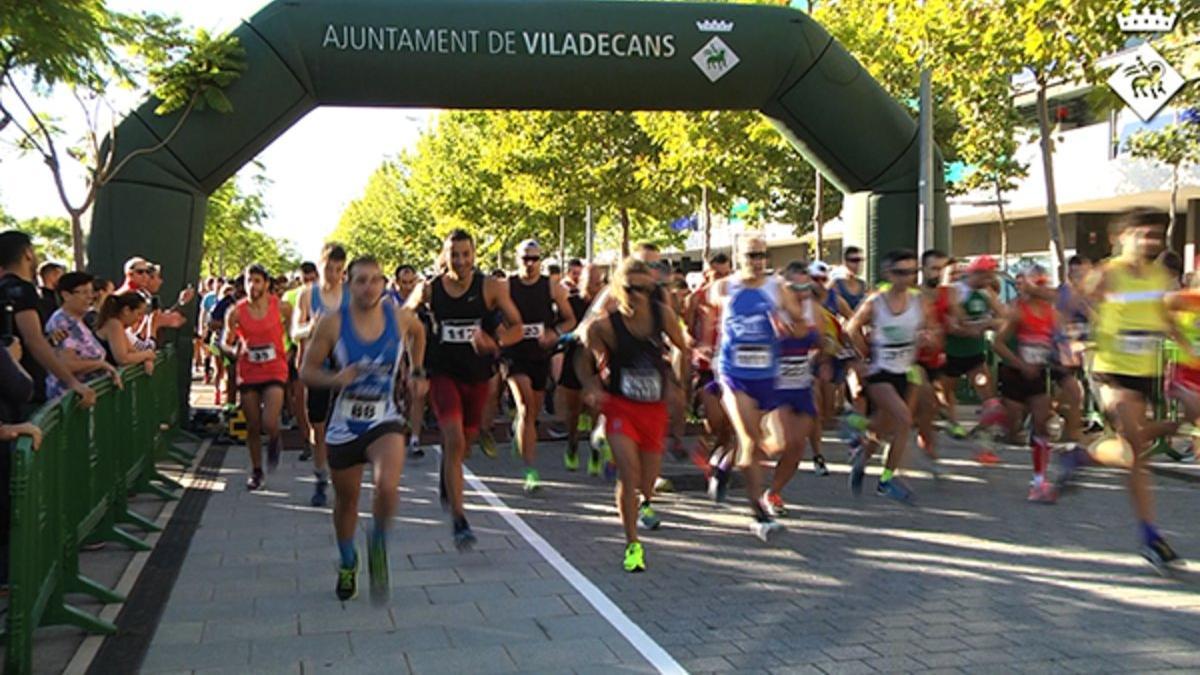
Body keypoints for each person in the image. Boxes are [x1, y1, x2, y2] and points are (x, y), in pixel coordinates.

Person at [301, 255, 427, 603]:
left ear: (384, 283)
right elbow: (306, 371)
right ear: (348, 284)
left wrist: (417, 371)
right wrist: (334, 378)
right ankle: (347, 560)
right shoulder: (331, 324)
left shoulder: (399, 318)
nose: (369, 287)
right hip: (344, 425)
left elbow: (419, 332)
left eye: (375, 280)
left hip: (384, 417)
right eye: (360, 280)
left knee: (387, 484)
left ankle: (378, 542)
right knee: (347, 501)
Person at [1084, 208, 1191, 572]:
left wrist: (1189, 350)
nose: (1149, 241)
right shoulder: (1107, 273)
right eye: (1142, 234)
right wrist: (1076, 334)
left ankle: (1086, 454)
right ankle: (1150, 536)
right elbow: (1073, 302)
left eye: (1155, 236)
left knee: (1138, 447)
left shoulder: (1160, 275)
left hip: (1147, 373)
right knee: (1135, 450)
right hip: (1112, 371)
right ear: (1122, 237)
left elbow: (1166, 318)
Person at [406, 229, 522, 550]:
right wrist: (415, 366)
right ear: (445, 256)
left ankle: (448, 473)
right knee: (454, 438)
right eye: (454, 254)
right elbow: (404, 317)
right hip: (444, 374)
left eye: (465, 254)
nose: (460, 261)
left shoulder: (490, 287)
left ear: (474, 255)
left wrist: (494, 341)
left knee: (463, 445)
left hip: (477, 376)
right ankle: (460, 520)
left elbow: (518, 327)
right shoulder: (430, 289)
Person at [577, 257, 688, 572]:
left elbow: (682, 346)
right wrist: (591, 386)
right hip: (620, 406)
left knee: (647, 481)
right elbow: (581, 360)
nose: (637, 295)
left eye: (643, 289)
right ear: (616, 288)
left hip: (653, 410)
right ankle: (632, 545)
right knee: (629, 473)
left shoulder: (661, 315)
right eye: (630, 288)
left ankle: (646, 501)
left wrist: (678, 380)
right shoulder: (603, 326)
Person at [709, 235, 809, 541]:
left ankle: (723, 462)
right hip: (734, 373)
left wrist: (789, 328)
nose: (757, 261)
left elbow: (801, 325)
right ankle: (758, 513)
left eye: (762, 255)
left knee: (777, 444)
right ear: (739, 257)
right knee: (750, 439)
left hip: (767, 374)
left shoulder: (777, 288)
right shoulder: (725, 286)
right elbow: (713, 307)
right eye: (752, 255)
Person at [844, 250, 928, 504]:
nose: (908, 278)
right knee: (904, 419)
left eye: (913, 272)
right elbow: (851, 327)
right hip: (880, 372)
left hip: (905, 371)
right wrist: (861, 357)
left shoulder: (919, 300)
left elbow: (930, 328)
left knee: (882, 429)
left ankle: (861, 450)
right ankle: (887, 480)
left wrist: (926, 337)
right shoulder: (876, 301)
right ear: (889, 274)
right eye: (901, 272)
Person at [991, 265, 1068, 503]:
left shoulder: (1052, 313)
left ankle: (1039, 481)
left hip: (1037, 375)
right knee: (1013, 427)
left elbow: (1060, 341)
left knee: (1040, 424)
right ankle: (996, 419)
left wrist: (1062, 355)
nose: (1042, 289)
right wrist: (1021, 364)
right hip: (1015, 373)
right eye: (1037, 284)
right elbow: (998, 343)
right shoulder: (1017, 311)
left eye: (1043, 284)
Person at [504, 240, 576, 493]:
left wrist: (554, 332)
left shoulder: (551, 287)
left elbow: (570, 320)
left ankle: (521, 432)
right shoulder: (506, 286)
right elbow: (491, 316)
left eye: (535, 259)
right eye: (525, 258)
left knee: (532, 413)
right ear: (517, 259)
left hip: (539, 354)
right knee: (525, 407)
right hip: (514, 355)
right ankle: (530, 471)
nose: (530, 264)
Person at [0, 231, 96, 411]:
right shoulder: (22, 289)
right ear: (28, 253)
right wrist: (72, 382)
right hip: (27, 390)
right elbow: (33, 339)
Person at [762, 263, 824, 516]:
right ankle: (738, 451)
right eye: (794, 287)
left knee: (797, 445)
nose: (801, 293)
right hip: (774, 387)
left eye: (805, 287)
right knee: (779, 444)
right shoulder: (770, 310)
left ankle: (773, 492)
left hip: (800, 385)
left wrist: (825, 351)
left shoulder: (813, 310)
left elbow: (821, 342)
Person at [225, 265, 292, 491]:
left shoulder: (281, 307)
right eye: (248, 281)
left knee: (269, 420)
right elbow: (226, 340)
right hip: (249, 369)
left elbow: (292, 330)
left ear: (266, 283)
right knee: (252, 424)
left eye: (257, 280)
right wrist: (232, 350)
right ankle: (256, 470)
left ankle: (274, 437)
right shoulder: (236, 311)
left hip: (274, 368)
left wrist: (291, 350)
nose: (252, 286)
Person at [293, 243, 349, 508]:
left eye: (339, 269)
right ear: (320, 265)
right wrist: (310, 327)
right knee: (318, 425)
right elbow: (294, 331)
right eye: (329, 268)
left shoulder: (351, 295)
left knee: (343, 424)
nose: (334, 274)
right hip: (316, 367)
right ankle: (320, 475)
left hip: (343, 366)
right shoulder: (307, 294)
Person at [940, 255, 1006, 446]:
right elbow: (952, 324)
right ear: (975, 273)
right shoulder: (956, 291)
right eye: (987, 275)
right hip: (951, 352)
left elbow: (1005, 319)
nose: (990, 280)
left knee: (988, 395)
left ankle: (983, 429)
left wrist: (986, 323)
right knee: (947, 391)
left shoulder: (987, 293)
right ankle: (953, 423)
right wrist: (976, 327)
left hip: (974, 354)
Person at [44, 271, 121, 399]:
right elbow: (67, 364)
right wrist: (101, 364)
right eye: (84, 292)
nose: (90, 297)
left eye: (91, 292)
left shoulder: (81, 320)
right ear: (66, 295)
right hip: (70, 398)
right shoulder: (62, 322)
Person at [558, 262, 604, 474]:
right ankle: (571, 445)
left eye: (599, 281)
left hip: (595, 362)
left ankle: (595, 453)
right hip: (573, 358)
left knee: (596, 409)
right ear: (581, 281)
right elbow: (560, 326)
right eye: (591, 281)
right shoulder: (571, 302)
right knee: (573, 410)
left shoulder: (605, 304)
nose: (595, 285)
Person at [284, 262, 318, 459]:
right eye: (305, 280)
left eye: (313, 279)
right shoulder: (290, 297)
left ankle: (321, 441)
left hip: (326, 358)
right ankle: (307, 440)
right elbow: (290, 329)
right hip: (300, 354)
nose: (309, 284)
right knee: (301, 401)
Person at [94, 292, 157, 373]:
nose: (140, 319)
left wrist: (146, 359)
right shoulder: (114, 324)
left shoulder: (118, 327)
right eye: (139, 314)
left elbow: (134, 352)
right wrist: (147, 354)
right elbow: (123, 359)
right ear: (126, 310)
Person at [832, 246, 868, 312]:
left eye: (861, 260)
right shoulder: (836, 284)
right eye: (854, 260)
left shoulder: (863, 285)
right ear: (845, 262)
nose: (858, 264)